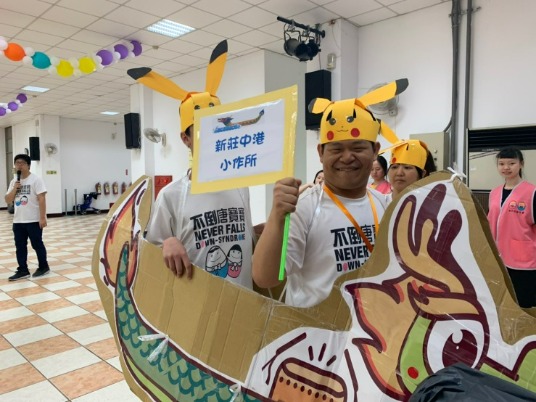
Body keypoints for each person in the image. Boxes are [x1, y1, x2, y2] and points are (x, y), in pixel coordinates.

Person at [252, 79, 408, 307]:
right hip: (315, 329)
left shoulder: (384, 204)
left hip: (372, 325)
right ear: (320, 153)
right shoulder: (304, 207)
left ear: (375, 151)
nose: (347, 157)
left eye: (357, 147)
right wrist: (276, 215)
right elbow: (264, 278)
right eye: (336, 149)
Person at [132, 41, 256, 289]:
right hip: (196, 304)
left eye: (217, 128)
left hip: (244, 302)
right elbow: (150, 256)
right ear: (185, 139)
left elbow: (246, 241)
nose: (212, 137)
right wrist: (166, 243)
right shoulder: (171, 196)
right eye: (201, 130)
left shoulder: (241, 186)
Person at [487, 147, 536, 308]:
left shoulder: (532, 192)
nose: (506, 167)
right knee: (502, 304)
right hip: (497, 258)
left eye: (511, 163)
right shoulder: (494, 193)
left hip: (524, 261)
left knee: (524, 305)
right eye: (501, 164)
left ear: (521, 164)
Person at [5, 154, 50, 281]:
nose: (19, 165)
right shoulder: (14, 181)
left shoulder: (36, 180)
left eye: (22, 163)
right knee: (20, 246)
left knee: (37, 244)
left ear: (28, 165)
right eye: (17, 163)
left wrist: (42, 217)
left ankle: (43, 266)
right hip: (18, 220)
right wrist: (15, 189)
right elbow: (7, 199)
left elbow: (41, 198)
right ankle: (23, 270)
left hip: (33, 219)